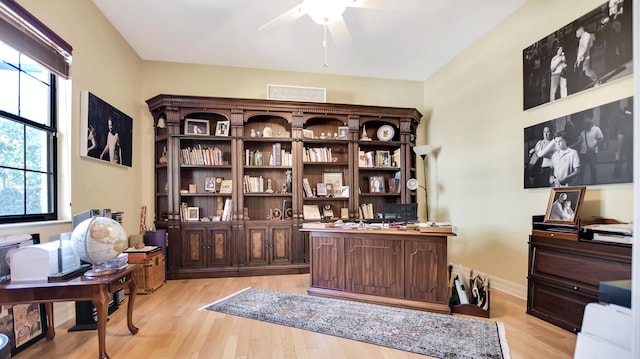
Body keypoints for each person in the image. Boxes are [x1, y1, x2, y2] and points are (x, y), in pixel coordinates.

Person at [575, 119, 604, 184]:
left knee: (593, 168)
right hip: (583, 152)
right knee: (582, 168)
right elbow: (579, 141)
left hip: (592, 152)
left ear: (591, 125)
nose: (586, 127)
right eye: (585, 125)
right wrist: (573, 146)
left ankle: (594, 182)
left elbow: (601, 138)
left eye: (587, 125)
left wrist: (594, 146)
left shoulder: (596, 129)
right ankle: (580, 181)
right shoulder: (583, 132)